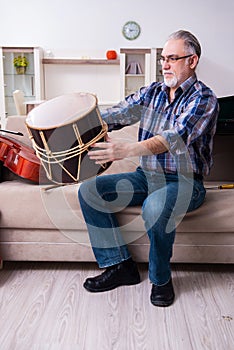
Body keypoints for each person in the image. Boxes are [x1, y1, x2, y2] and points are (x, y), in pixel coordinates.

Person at [78, 30, 219, 307]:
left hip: (185, 182)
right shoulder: (152, 92)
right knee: (90, 191)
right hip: (146, 177)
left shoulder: (203, 99)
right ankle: (121, 266)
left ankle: (161, 279)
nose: (165, 64)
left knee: (154, 206)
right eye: (163, 59)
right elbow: (116, 114)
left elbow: (174, 138)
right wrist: (80, 118)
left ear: (192, 60)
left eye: (172, 58)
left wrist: (126, 150)